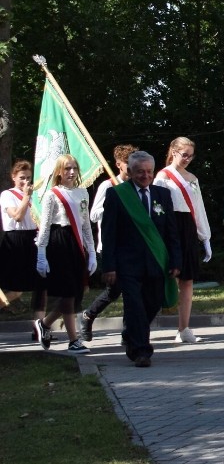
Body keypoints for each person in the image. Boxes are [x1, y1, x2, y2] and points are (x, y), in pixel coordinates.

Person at [101, 150, 181, 367]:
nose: (145, 176)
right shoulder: (117, 195)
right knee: (134, 306)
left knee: (153, 303)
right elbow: (108, 233)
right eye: (139, 172)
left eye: (149, 172)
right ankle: (141, 351)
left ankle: (130, 334)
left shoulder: (162, 195)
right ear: (129, 171)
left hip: (156, 260)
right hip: (128, 263)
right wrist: (108, 265)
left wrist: (175, 260)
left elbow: (171, 231)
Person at [33, 154, 98, 354]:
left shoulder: (83, 193)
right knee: (68, 292)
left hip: (76, 242)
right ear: (59, 172)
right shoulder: (53, 194)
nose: (71, 172)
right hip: (58, 241)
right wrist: (41, 254)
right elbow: (44, 225)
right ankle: (73, 341)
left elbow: (86, 224)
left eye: (74, 168)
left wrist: (92, 252)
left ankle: (44, 324)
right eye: (67, 168)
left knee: (76, 292)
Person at [154, 137, 212, 343]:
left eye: (190, 155)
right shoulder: (162, 177)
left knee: (187, 280)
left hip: (187, 227)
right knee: (164, 278)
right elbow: (157, 208)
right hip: (169, 227)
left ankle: (184, 328)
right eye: (183, 154)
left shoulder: (192, 178)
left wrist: (205, 237)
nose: (187, 158)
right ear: (173, 152)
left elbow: (199, 208)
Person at [79, 144, 137, 342]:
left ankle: (128, 333)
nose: (131, 168)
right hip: (110, 246)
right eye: (127, 164)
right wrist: (114, 206)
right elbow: (93, 215)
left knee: (131, 289)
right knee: (115, 290)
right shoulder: (108, 186)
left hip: (130, 245)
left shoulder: (135, 186)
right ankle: (89, 315)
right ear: (118, 164)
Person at [1, 160, 46, 331]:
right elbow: (17, 216)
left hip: (33, 239)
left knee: (42, 285)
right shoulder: (7, 195)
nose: (25, 181)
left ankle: (39, 328)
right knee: (16, 290)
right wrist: (26, 196)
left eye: (28, 178)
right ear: (13, 177)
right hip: (15, 240)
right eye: (21, 178)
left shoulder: (35, 195)